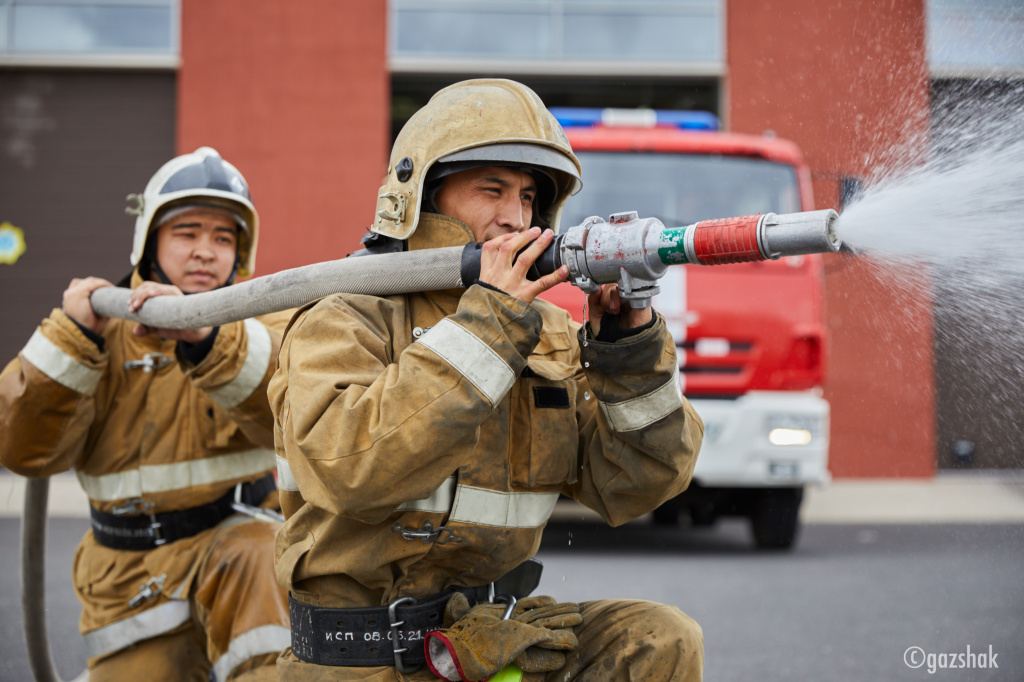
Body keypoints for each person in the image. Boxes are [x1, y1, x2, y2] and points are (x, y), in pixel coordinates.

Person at [270, 79, 705, 681]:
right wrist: (490, 328)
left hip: (494, 644)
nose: (514, 218)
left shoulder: (545, 330)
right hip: (365, 660)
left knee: (657, 640)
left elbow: (632, 486)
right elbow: (350, 470)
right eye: (492, 190)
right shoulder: (344, 316)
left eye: (529, 198)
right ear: (420, 197)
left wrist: (627, 351)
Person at [0, 147, 291, 681]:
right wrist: (72, 338)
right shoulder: (96, 335)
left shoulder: (264, 325)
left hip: (241, 568)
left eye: (223, 237)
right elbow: (23, 451)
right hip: (133, 587)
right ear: (148, 241)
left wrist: (207, 340)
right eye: (187, 233)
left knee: (255, 554)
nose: (206, 251)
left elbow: (301, 414)